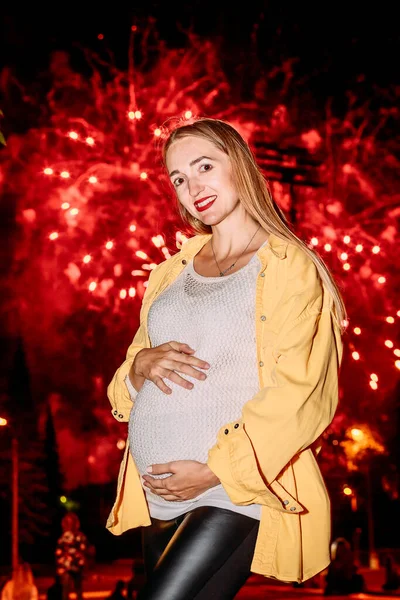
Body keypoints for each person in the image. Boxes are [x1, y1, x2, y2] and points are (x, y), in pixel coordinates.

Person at [106, 117, 345, 599]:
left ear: (239, 164)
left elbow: (300, 393)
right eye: (179, 178)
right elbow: (123, 386)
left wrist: (216, 471)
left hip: (232, 489)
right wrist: (138, 367)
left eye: (204, 166)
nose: (192, 187)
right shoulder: (169, 273)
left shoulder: (287, 266)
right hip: (158, 494)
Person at [55, 512, 87, 600]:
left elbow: (82, 550)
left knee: (78, 589)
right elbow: (59, 551)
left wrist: (79, 562)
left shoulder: (80, 537)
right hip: (66, 567)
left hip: (77, 566)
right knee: (65, 588)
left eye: (71, 522)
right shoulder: (63, 537)